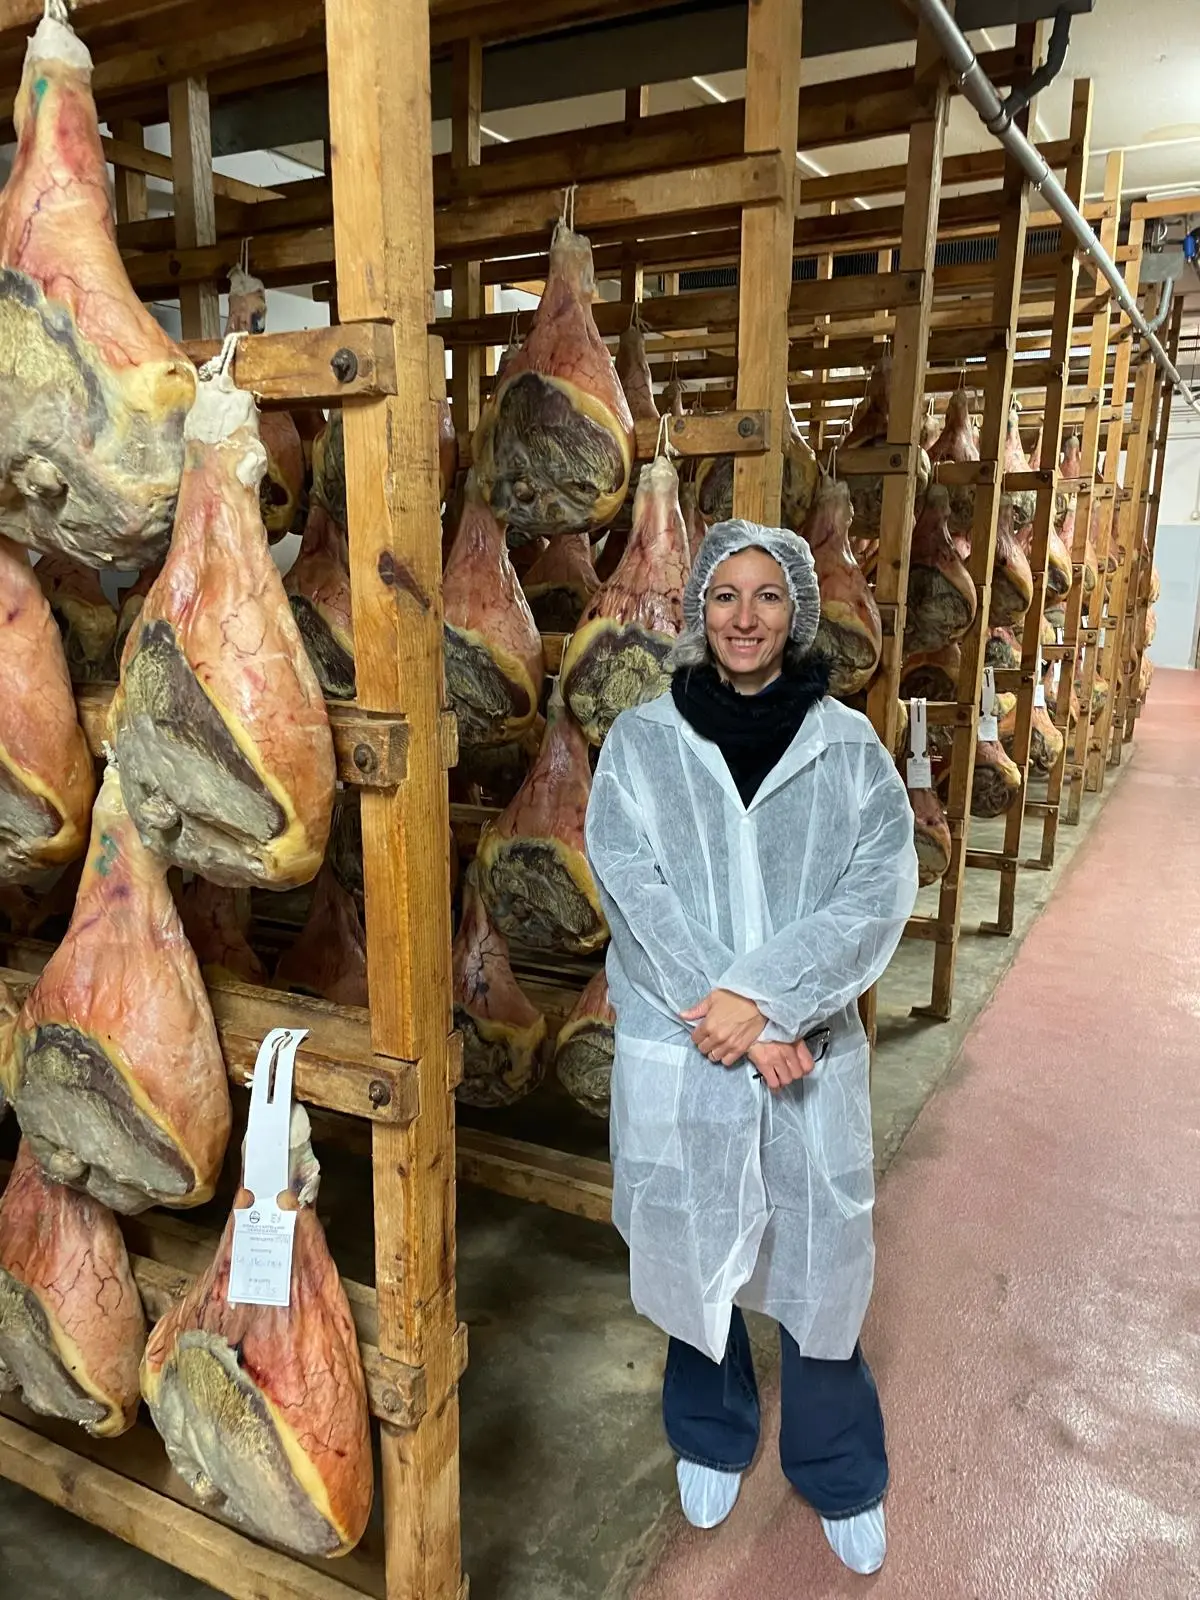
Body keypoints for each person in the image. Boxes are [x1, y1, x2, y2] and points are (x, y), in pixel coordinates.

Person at [584, 518, 919, 1575]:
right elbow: (631, 888)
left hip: (802, 1055)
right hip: (687, 1046)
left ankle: (838, 1464)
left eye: (767, 595)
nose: (745, 616)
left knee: (821, 1259)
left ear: (796, 613)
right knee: (694, 1242)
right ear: (699, 610)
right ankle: (711, 1430)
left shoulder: (848, 747)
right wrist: (723, 1011)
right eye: (725, 594)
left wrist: (770, 1007)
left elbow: (876, 894)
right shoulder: (642, 741)